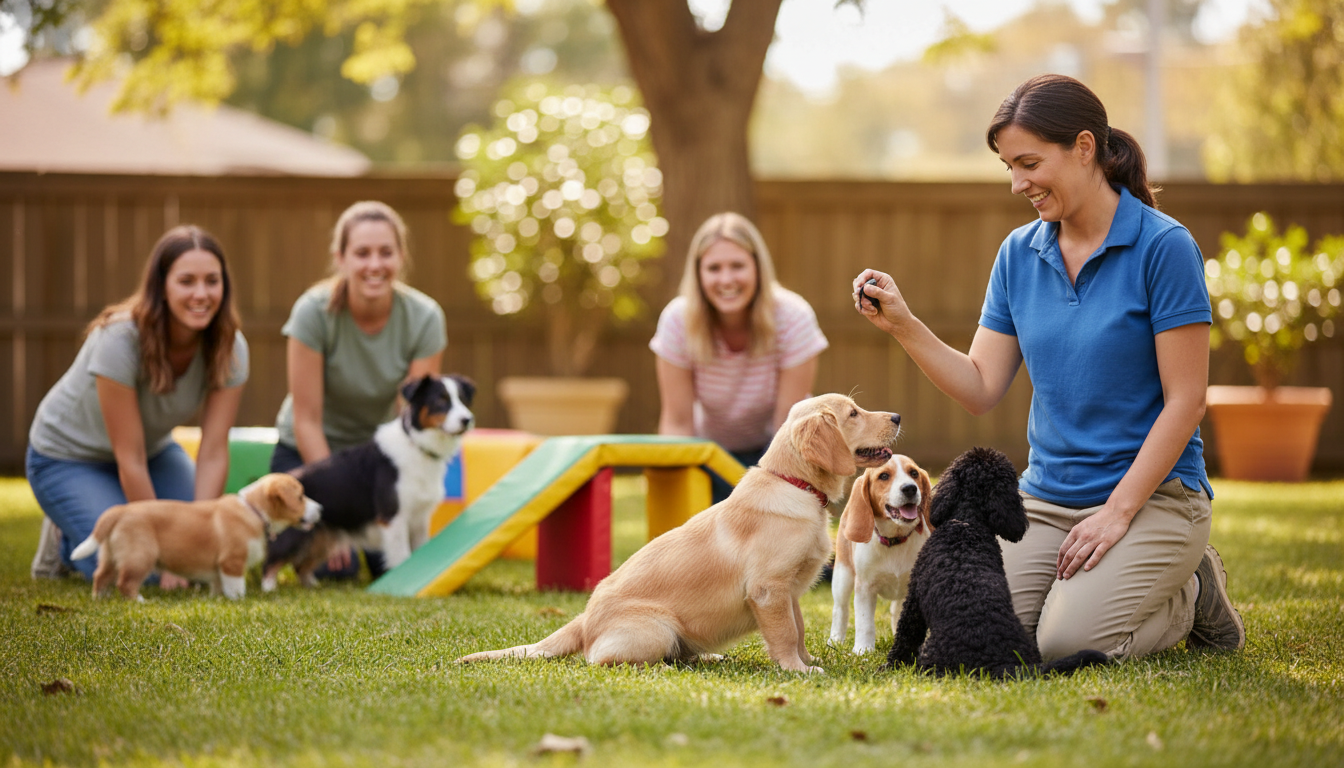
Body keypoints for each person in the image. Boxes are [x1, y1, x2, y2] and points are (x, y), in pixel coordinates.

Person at [852, 74, 1245, 660]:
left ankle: (1189, 594)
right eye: (1009, 167)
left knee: (1066, 645)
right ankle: (1127, 584)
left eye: (1029, 163)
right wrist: (902, 323)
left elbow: (1186, 401)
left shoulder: (1164, 248)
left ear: (1084, 147)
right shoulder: (1020, 253)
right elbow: (981, 387)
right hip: (1045, 499)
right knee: (988, 631)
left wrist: (1117, 514)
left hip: (1153, 498)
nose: (1017, 184)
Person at [27, 225, 248, 585]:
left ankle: (91, 521)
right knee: (142, 566)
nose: (201, 294)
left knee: (193, 559)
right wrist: (164, 552)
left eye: (212, 281)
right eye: (187, 281)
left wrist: (198, 536)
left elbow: (212, 451)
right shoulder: (119, 339)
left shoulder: (231, 348)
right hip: (66, 457)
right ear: (161, 286)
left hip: (153, 453)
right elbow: (127, 457)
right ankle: (63, 539)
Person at [270, 200, 446, 579]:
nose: (374, 265)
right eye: (362, 253)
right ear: (341, 257)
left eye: (386, 252)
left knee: (394, 567)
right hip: (311, 455)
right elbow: (307, 419)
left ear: (401, 256)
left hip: (378, 461)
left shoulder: (425, 317)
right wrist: (326, 510)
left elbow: (414, 423)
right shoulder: (312, 313)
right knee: (337, 568)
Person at [651, 212, 829, 504]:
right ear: (698, 274)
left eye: (737, 266)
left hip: (777, 449)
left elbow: (785, 426)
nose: (726, 279)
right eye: (713, 268)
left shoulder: (793, 318)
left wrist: (766, 492)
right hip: (708, 454)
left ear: (758, 268)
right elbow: (677, 422)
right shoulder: (677, 320)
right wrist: (674, 494)